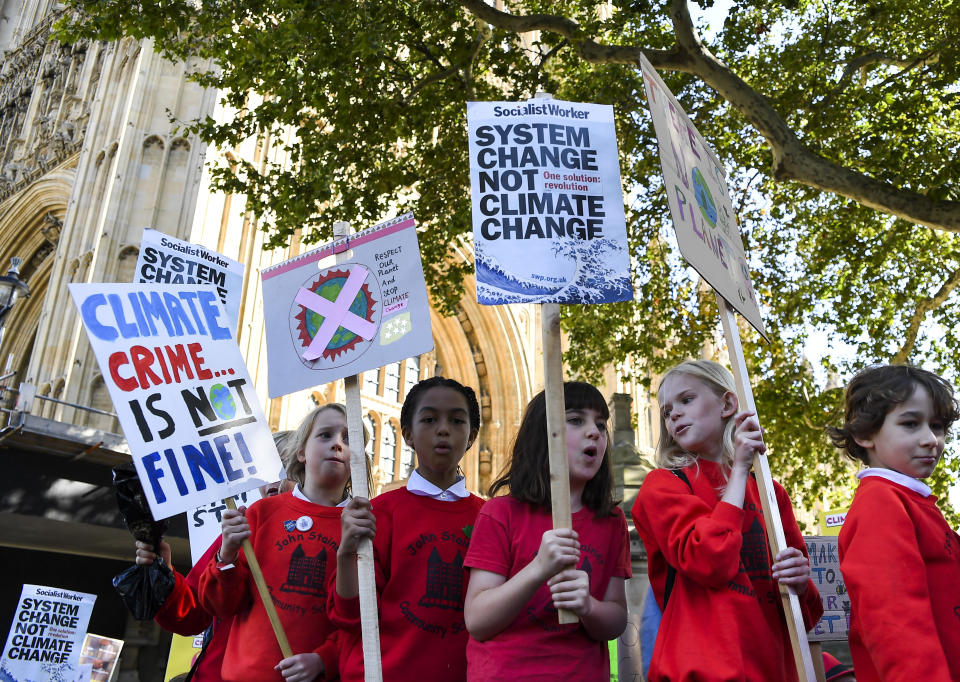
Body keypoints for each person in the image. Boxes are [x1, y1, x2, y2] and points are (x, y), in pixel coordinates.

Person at [632, 360, 821, 681]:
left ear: (727, 403)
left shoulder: (771, 492)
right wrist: (739, 472)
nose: (673, 414)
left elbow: (807, 615)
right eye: (666, 411)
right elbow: (709, 560)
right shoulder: (663, 485)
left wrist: (801, 582)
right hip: (701, 669)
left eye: (686, 400)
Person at [463, 381, 631, 681]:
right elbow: (478, 619)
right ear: (544, 434)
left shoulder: (612, 521)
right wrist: (538, 568)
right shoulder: (501, 513)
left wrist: (588, 606)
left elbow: (616, 620)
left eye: (601, 424)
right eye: (576, 420)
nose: (594, 431)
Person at [332, 376, 484, 681]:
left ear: (471, 436)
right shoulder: (379, 513)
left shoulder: (490, 517)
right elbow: (350, 615)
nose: (443, 429)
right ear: (408, 434)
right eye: (429, 419)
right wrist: (346, 552)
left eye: (456, 420)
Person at [199, 407, 355, 681]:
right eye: (325, 435)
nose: (337, 443)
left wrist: (324, 658)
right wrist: (227, 556)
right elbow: (220, 606)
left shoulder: (361, 526)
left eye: (349, 438)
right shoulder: (261, 513)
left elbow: (364, 618)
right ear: (301, 452)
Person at [827, 364, 960, 681]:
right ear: (863, 434)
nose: (931, 439)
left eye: (937, 426)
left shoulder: (910, 500)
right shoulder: (881, 503)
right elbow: (896, 623)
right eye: (911, 423)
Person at [135, 430, 294, 681]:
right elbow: (191, 615)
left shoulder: (335, 536)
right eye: (267, 469)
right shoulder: (240, 532)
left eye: (286, 469)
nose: (274, 480)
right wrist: (162, 573)